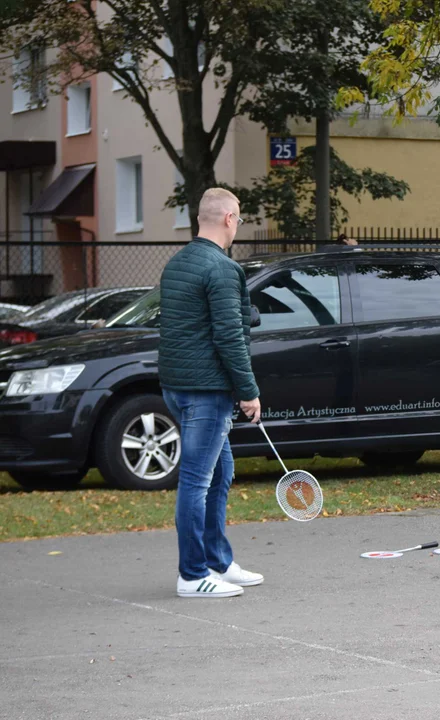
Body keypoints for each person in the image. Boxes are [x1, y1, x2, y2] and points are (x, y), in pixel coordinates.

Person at [158, 188, 264, 599]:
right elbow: (228, 337)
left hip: (177, 388)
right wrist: (248, 391)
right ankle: (192, 575)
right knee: (197, 482)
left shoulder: (178, 263)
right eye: (238, 218)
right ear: (229, 218)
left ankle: (218, 562)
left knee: (220, 474)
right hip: (206, 393)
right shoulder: (221, 269)